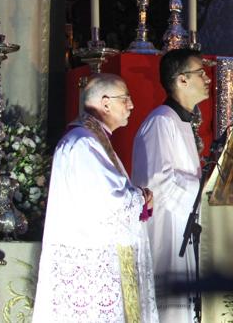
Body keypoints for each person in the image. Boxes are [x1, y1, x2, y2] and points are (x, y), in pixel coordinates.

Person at [32, 74, 158, 322]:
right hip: (91, 265)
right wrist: (142, 198)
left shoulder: (92, 141)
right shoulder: (83, 144)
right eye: (126, 99)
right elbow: (110, 203)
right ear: (105, 102)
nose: (131, 105)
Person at [131, 49, 211, 323]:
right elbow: (157, 181)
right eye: (200, 73)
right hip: (168, 229)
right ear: (181, 80)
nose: (207, 78)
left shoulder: (180, 122)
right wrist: (205, 192)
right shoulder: (161, 122)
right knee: (170, 312)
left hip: (183, 226)